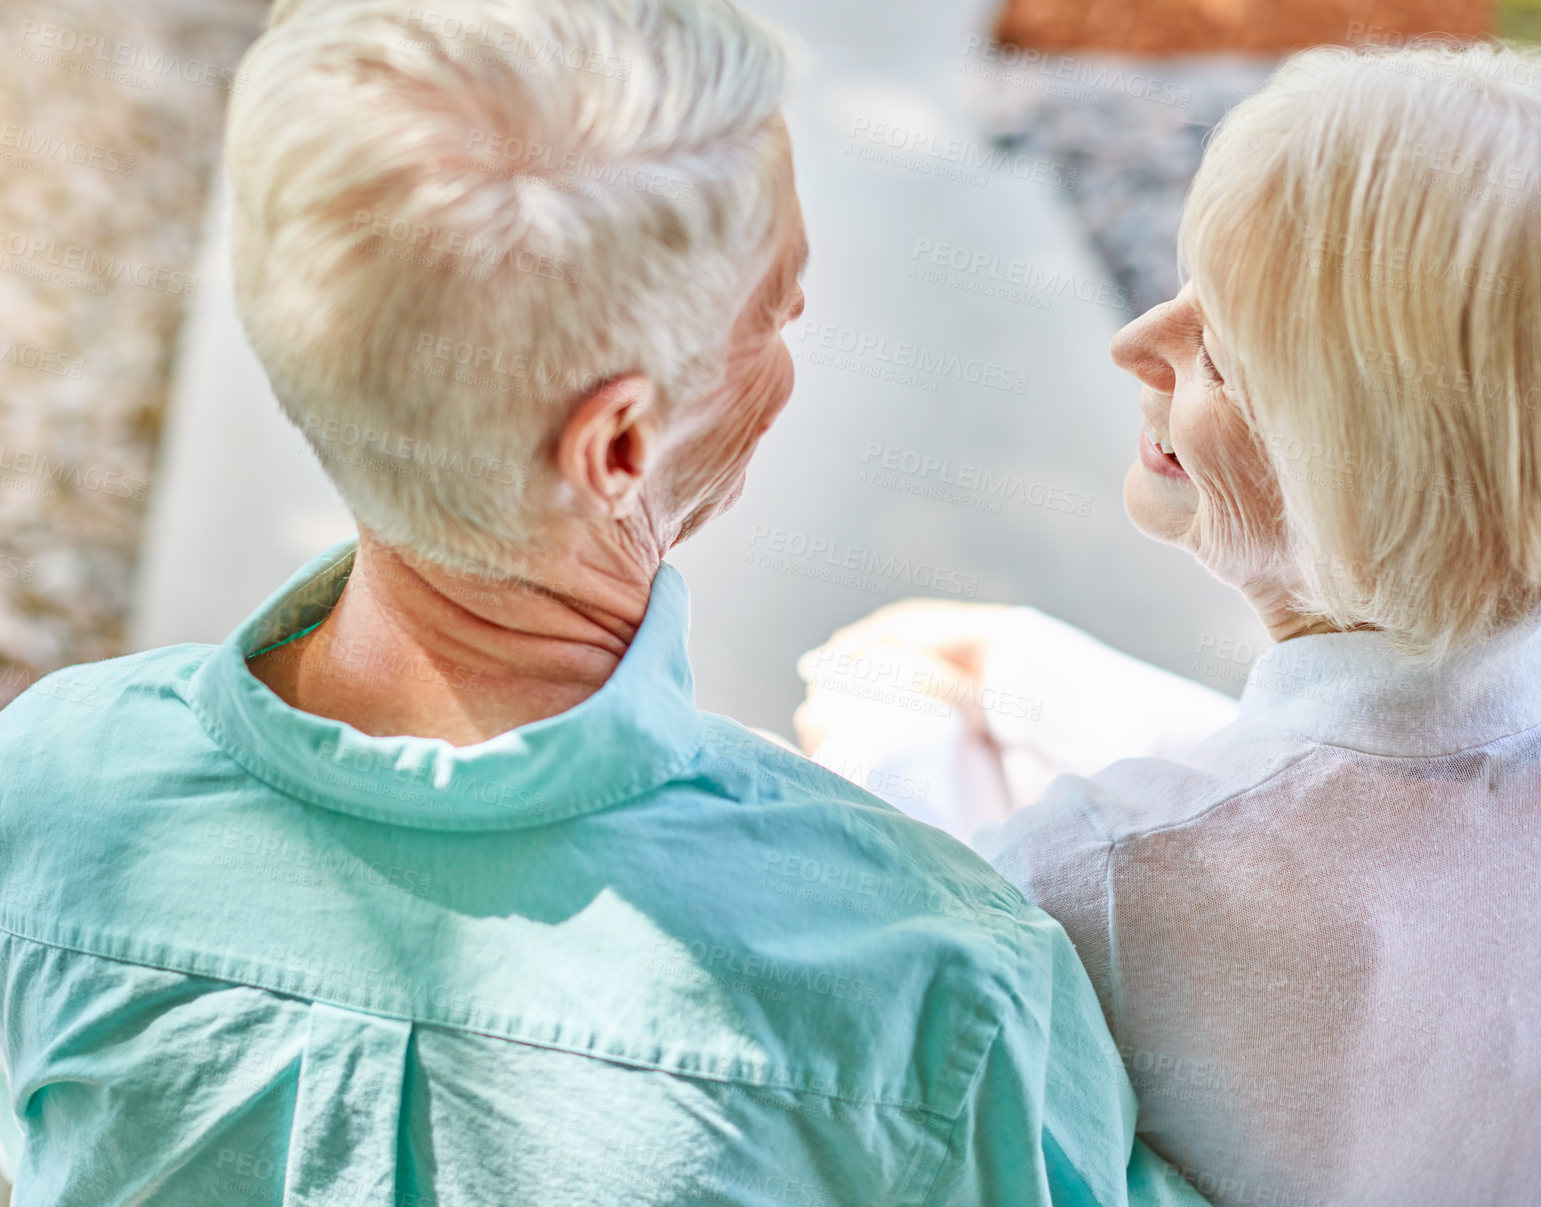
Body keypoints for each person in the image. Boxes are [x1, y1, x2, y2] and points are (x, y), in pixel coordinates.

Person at [0, 0, 1209, 1204]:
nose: (791, 336)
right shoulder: (931, 982)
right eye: (775, 308)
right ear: (620, 445)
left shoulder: (47, 792)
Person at [797, 41, 1541, 1207]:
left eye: (1222, 357)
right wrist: (1028, 668)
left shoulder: (1093, 883)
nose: (1135, 340)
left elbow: (873, 1016)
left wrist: (867, 755)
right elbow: (1376, 792)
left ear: (1369, 481)